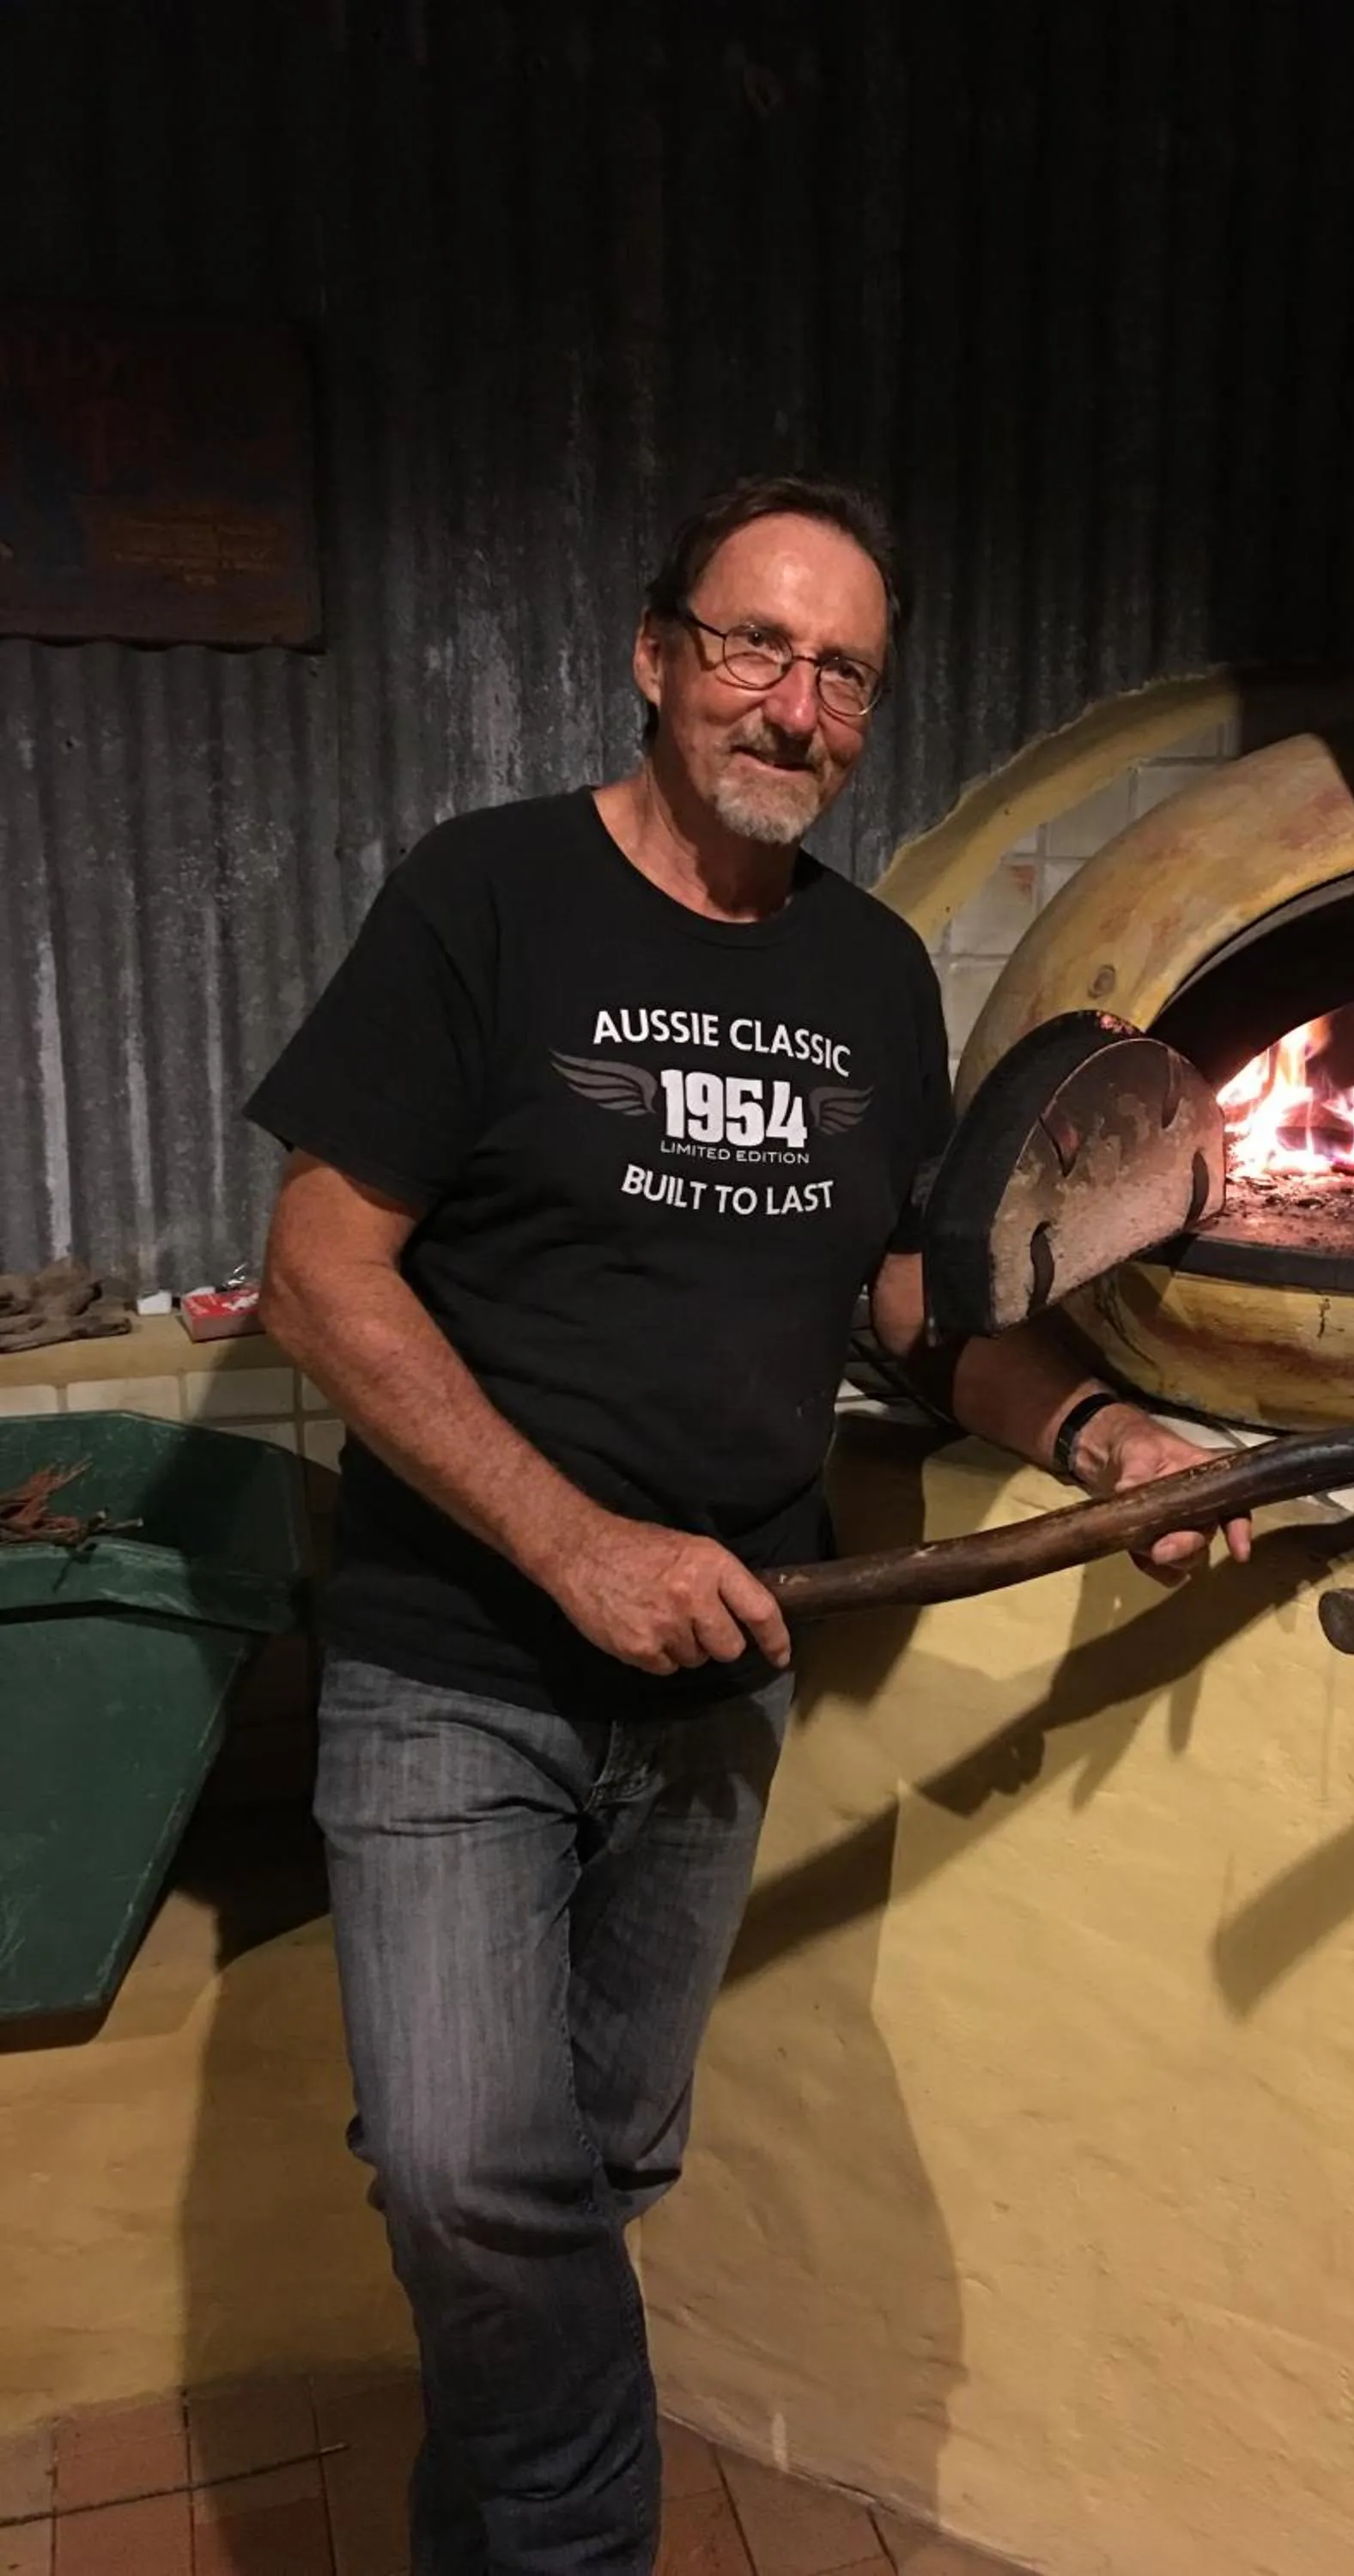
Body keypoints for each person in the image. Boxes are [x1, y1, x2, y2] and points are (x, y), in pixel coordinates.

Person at [247, 473, 1250, 2575]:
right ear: (654, 655)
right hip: (459, 1654)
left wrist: (1097, 1436)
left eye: (842, 672)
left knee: (583, 2174)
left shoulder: (875, 976)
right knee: (456, 2171)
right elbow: (322, 1274)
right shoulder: (487, 901)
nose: (792, 706)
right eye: (754, 647)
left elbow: (902, 1311)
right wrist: (570, 1543)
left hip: (726, 1660)